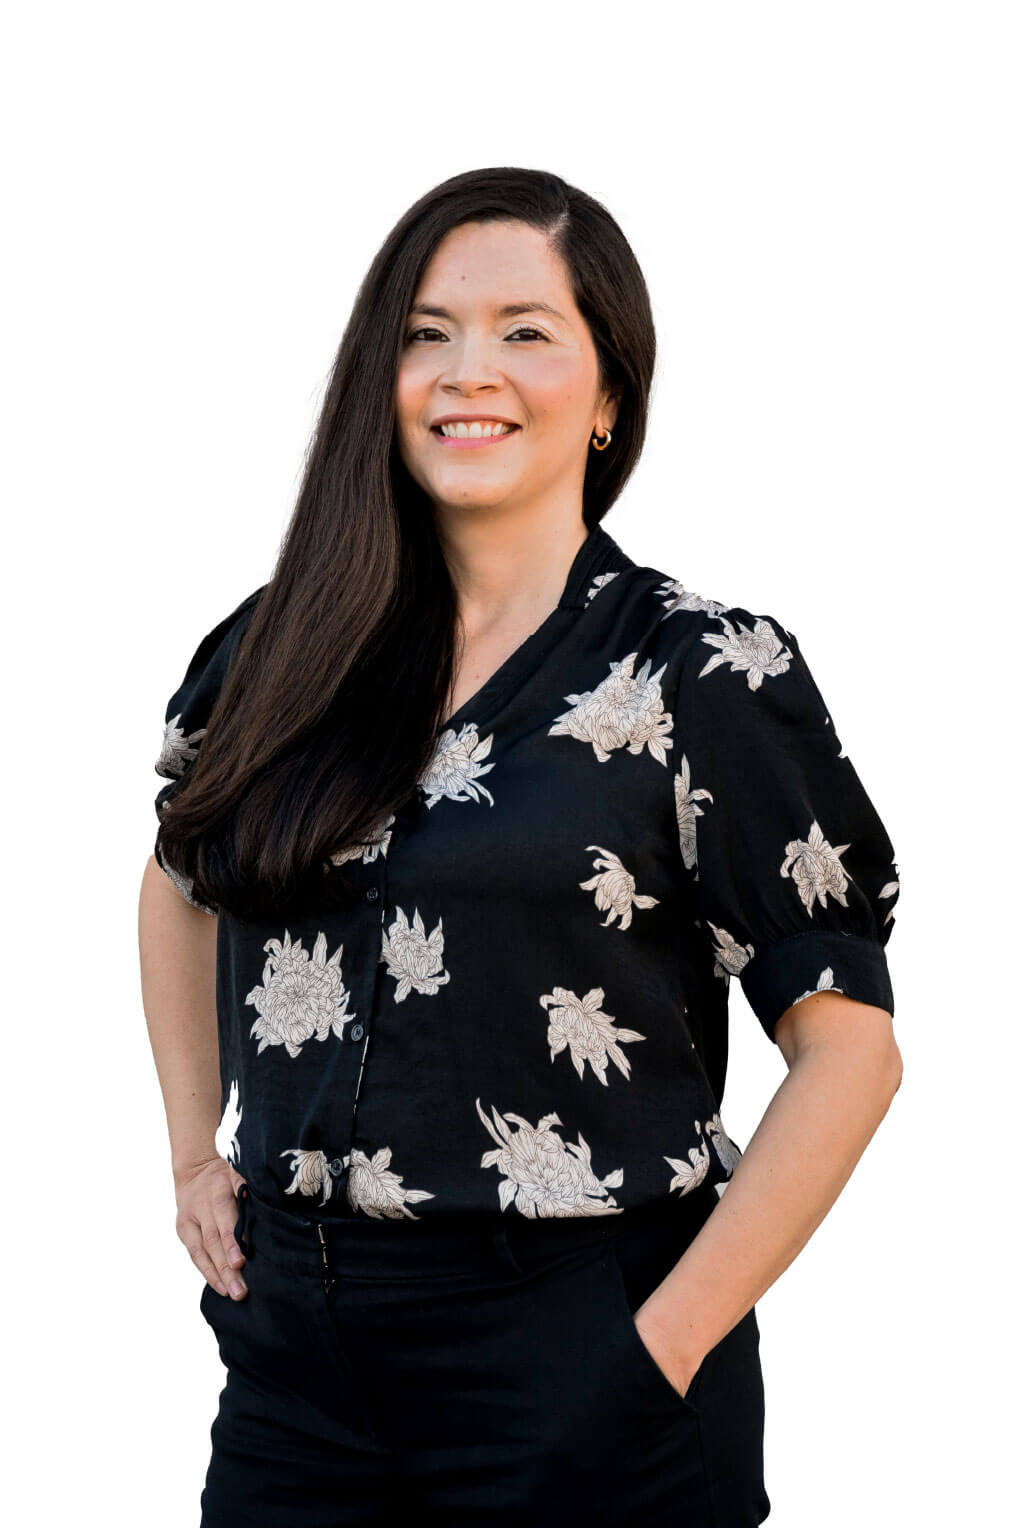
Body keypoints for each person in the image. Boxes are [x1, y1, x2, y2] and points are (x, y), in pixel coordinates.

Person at [138, 167, 902, 1528]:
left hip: (580, 1342)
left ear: (609, 398)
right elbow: (178, 881)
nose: (464, 371)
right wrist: (197, 1152)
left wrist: (656, 1355)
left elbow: (850, 1053)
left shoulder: (700, 674)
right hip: (295, 1369)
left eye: (524, 331)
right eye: (425, 334)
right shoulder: (278, 648)